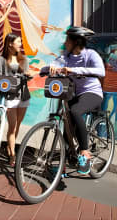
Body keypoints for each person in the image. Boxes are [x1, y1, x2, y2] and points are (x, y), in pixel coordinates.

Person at [44, 26, 105, 175]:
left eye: (67, 40)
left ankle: (85, 152)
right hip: (74, 93)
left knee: (75, 111)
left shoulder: (91, 54)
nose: (65, 43)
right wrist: (50, 67)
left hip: (92, 93)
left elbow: (101, 71)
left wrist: (74, 70)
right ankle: (62, 165)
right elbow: (57, 63)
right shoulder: (67, 56)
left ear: (76, 42)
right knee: (67, 126)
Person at [0, 33, 30, 167]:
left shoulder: (24, 60)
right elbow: (0, 76)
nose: (20, 44)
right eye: (18, 42)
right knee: (12, 126)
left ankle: (10, 147)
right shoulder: (0, 60)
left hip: (23, 96)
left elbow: (27, 75)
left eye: (20, 42)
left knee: (17, 127)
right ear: (10, 43)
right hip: (10, 96)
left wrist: (28, 74)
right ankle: (12, 156)